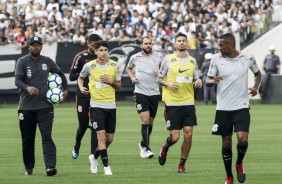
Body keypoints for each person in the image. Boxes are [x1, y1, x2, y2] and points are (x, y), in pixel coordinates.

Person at [206, 33, 262, 184]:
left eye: (221, 45)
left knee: (242, 140)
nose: (219, 48)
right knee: (226, 143)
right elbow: (207, 79)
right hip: (223, 108)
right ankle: (229, 176)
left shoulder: (248, 58)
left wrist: (256, 88)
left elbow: (258, 74)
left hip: (241, 106)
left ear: (229, 46)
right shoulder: (216, 59)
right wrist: (212, 80)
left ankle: (239, 163)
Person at [15, 36, 69, 176]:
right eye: (33, 45)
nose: (36, 47)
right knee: (28, 139)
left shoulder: (47, 61)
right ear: (29, 47)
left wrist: (65, 90)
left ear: (41, 47)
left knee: (47, 136)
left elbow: (61, 75)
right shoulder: (22, 61)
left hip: (45, 107)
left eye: (38, 45)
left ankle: (50, 167)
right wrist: (27, 88)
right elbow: (17, 81)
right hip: (26, 107)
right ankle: (29, 167)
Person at [157, 33, 202, 173]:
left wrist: (198, 81)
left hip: (188, 102)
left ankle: (182, 165)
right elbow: (158, 78)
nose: (182, 43)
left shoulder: (193, 61)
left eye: (184, 41)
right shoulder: (168, 59)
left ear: (187, 44)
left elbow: (197, 77)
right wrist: (168, 83)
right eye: (179, 41)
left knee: (188, 134)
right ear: (175, 44)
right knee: (175, 137)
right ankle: (165, 147)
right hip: (172, 103)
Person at [78, 40, 122, 175]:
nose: (103, 52)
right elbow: (80, 78)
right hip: (96, 106)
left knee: (109, 139)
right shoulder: (89, 66)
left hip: (111, 106)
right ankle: (106, 167)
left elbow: (119, 85)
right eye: (100, 50)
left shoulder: (115, 65)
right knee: (101, 136)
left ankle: (94, 156)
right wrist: (81, 88)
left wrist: (111, 82)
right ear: (95, 52)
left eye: (105, 50)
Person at [126, 36, 163, 159]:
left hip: (154, 93)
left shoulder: (158, 56)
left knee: (150, 122)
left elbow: (165, 70)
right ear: (141, 45)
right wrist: (132, 78)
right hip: (140, 92)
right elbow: (128, 68)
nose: (148, 45)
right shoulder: (135, 57)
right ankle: (147, 148)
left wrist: (160, 73)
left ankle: (142, 143)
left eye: (149, 43)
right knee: (145, 120)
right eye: (146, 43)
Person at [69, 34, 102, 169]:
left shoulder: (102, 58)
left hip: (97, 96)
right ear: (88, 43)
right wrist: (86, 71)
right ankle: (77, 144)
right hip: (82, 95)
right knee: (83, 125)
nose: (95, 48)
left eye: (97, 45)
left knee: (95, 127)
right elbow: (72, 76)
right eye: (93, 45)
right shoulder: (80, 57)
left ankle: (93, 157)